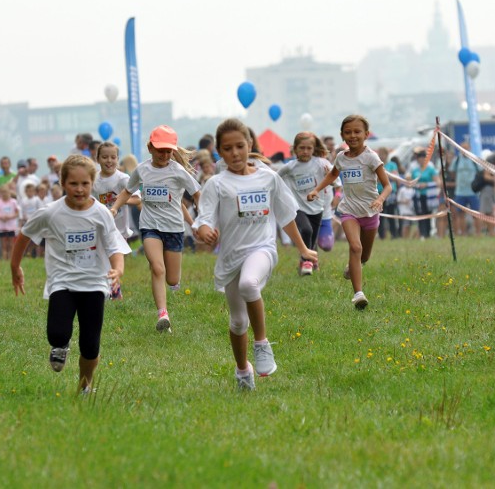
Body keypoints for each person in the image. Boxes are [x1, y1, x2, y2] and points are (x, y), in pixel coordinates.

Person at [194, 119, 317, 390]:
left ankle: (262, 344)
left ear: (250, 145)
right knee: (238, 322)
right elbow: (203, 219)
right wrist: (204, 232)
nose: (235, 153)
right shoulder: (216, 183)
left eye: (240, 146)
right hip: (231, 258)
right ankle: (242, 370)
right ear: (219, 152)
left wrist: (303, 248)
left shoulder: (268, 177)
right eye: (228, 149)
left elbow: (286, 216)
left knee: (249, 284)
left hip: (262, 249)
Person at [11, 155, 130, 394]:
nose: (79, 189)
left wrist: (118, 270)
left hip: (95, 283)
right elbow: (24, 236)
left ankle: (84, 387)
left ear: (92, 183)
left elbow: (114, 248)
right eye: (73, 184)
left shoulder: (101, 214)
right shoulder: (50, 213)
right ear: (63, 183)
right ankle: (61, 345)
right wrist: (15, 267)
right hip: (62, 282)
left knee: (90, 345)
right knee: (57, 332)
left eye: (85, 184)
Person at [110, 125, 201, 332]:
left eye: (169, 151)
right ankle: (163, 315)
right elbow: (127, 191)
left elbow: (197, 192)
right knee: (157, 267)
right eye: (160, 150)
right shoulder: (142, 170)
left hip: (174, 228)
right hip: (150, 226)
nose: (164, 155)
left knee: (172, 278)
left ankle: (166, 276)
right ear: (150, 147)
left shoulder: (178, 171)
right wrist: (115, 208)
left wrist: (201, 218)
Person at [307, 114, 392, 309]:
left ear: (366, 134)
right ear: (342, 135)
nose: (352, 135)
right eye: (348, 132)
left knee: (364, 256)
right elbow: (332, 175)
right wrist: (316, 190)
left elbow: (388, 186)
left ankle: (353, 268)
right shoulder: (340, 158)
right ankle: (358, 294)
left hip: (370, 212)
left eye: (357, 132)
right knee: (355, 247)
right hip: (349, 211)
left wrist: (380, 199)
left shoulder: (371, 157)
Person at [275, 132, 332, 276]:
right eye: (302, 148)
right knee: (306, 230)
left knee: (312, 238)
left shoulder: (321, 163)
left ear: (313, 149)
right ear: (295, 149)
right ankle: (306, 260)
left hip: (317, 208)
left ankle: (310, 261)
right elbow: (274, 178)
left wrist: (328, 177)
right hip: (298, 208)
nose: (305, 152)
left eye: (309, 148)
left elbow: (336, 181)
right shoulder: (290, 167)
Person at [92, 142, 140, 298]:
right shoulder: (94, 180)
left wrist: (121, 201)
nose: (109, 161)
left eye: (113, 157)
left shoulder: (123, 179)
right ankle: (111, 290)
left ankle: (114, 290)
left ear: (118, 159)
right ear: (98, 159)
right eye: (105, 157)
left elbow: (137, 199)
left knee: (114, 262)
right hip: (101, 228)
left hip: (120, 229)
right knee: (103, 260)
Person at [0, 184, 20, 260]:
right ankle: (4, 258)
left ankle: (11, 259)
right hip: (1, 226)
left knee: (11, 244)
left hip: (11, 226)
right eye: (2, 192)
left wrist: (10, 217)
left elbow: (17, 213)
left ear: (9, 192)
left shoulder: (13, 202)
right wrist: (1, 217)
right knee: (4, 245)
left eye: (5, 192)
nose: (4, 194)